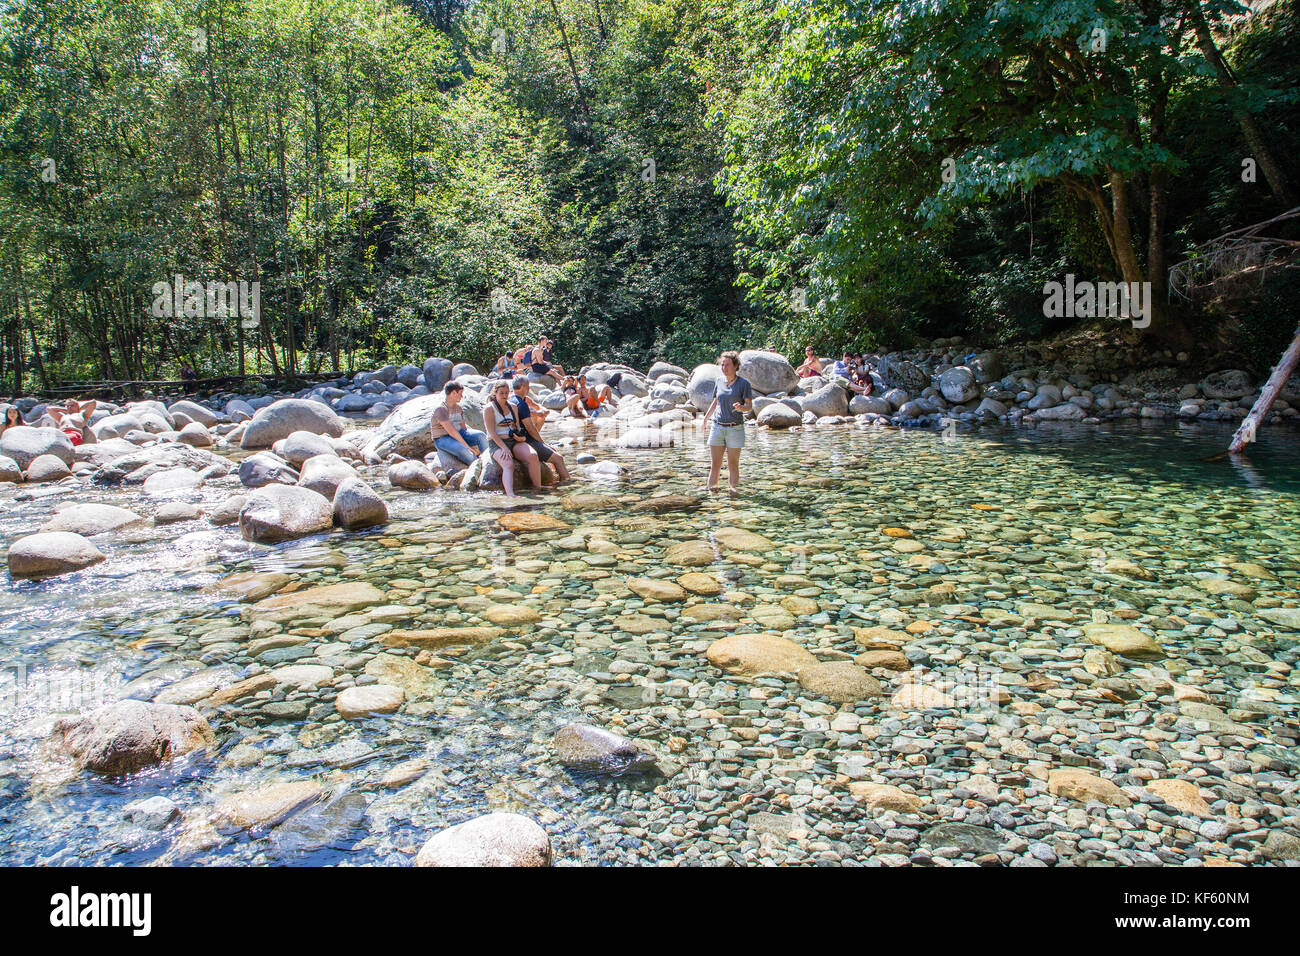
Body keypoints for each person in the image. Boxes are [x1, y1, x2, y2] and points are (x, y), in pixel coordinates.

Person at [700, 350, 753, 493]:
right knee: (715, 464)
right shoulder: (718, 381)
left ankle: (733, 496)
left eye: (727, 365)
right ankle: (712, 495)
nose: (724, 368)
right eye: (722, 365)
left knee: (732, 465)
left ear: (736, 366)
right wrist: (705, 419)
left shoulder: (744, 384)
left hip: (735, 428)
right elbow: (715, 401)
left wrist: (742, 407)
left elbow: (749, 406)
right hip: (717, 427)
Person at [512, 376, 570, 484]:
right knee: (559, 458)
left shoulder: (512, 400)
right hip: (527, 441)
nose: (529, 389)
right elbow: (530, 428)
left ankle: (555, 478)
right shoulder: (521, 404)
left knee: (554, 451)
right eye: (528, 386)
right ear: (524, 386)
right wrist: (541, 442)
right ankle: (567, 484)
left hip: (518, 439)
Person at [483, 380, 530, 498]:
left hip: (513, 440)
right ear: (495, 393)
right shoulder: (489, 409)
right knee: (508, 464)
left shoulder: (513, 407)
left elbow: (517, 426)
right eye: (501, 393)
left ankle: (537, 488)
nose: (504, 396)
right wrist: (504, 448)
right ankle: (510, 494)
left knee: (532, 456)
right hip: (496, 442)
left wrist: (522, 437)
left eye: (506, 393)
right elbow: (492, 433)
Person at [431, 382, 489, 468]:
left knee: (481, 435)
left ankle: (488, 460)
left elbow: (463, 428)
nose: (462, 396)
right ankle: (478, 466)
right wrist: (468, 447)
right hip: (442, 438)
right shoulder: (441, 409)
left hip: (459, 433)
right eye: (460, 394)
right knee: (463, 449)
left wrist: (471, 442)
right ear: (453, 393)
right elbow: (452, 432)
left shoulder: (458, 408)